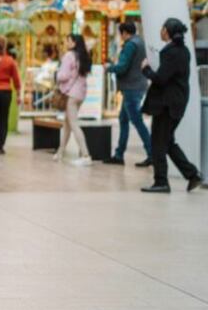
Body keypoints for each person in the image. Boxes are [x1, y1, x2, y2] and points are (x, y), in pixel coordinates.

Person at [140, 18, 202, 193]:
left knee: (158, 143)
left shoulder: (171, 52)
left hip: (167, 104)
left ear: (166, 32)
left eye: (162, 28)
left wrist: (146, 69)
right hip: (176, 102)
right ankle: (192, 175)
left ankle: (161, 182)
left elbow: (161, 78)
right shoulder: (183, 51)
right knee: (167, 142)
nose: (160, 31)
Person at [103, 22, 152, 167]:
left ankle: (152, 153)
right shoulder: (140, 42)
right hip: (137, 85)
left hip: (132, 87)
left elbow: (123, 67)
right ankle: (119, 154)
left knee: (137, 121)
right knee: (123, 119)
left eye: (121, 33)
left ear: (124, 32)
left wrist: (109, 68)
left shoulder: (130, 45)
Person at [54, 34, 92, 166]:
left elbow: (63, 76)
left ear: (74, 43)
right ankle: (60, 152)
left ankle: (86, 155)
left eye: (68, 41)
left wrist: (56, 74)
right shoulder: (83, 56)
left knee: (73, 124)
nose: (66, 43)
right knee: (67, 124)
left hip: (71, 94)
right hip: (81, 93)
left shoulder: (69, 56)